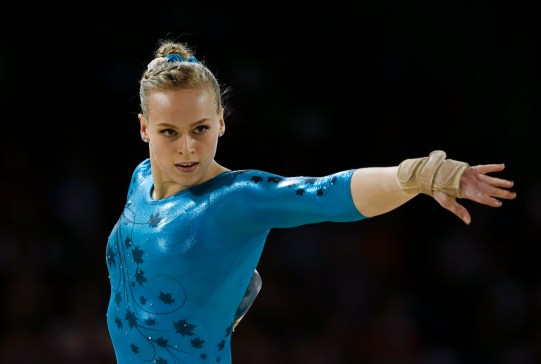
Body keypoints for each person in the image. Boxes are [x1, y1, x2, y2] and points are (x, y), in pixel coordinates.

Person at [105, 38, 516, 364]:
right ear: (144, 129)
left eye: (200, 128)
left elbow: (327, 194)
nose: (188, 148)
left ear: (222, 121)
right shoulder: (141, 178)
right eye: (169, 132)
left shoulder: (235, 199)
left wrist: (416, 176)